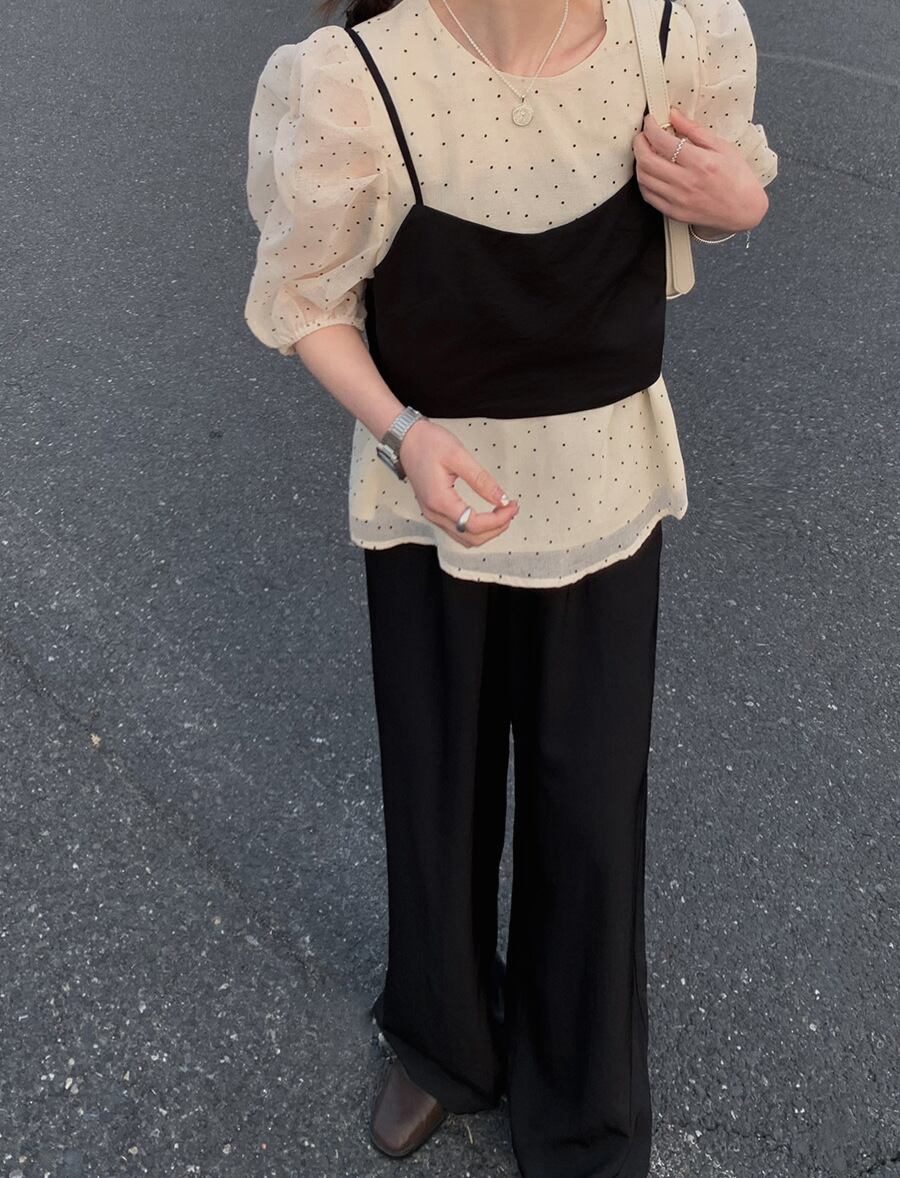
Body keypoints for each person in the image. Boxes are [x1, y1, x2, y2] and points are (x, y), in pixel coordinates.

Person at [243, 0, 777, 1173]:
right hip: (428, 505)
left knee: (591, 803)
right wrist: (402, 434)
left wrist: (738, 203)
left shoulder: (673, 35)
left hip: (605, 495)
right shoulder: (356, 79)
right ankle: (443, 1040)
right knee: (436, 779)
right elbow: (309, 300)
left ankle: (584, 1102)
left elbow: (730, 183)